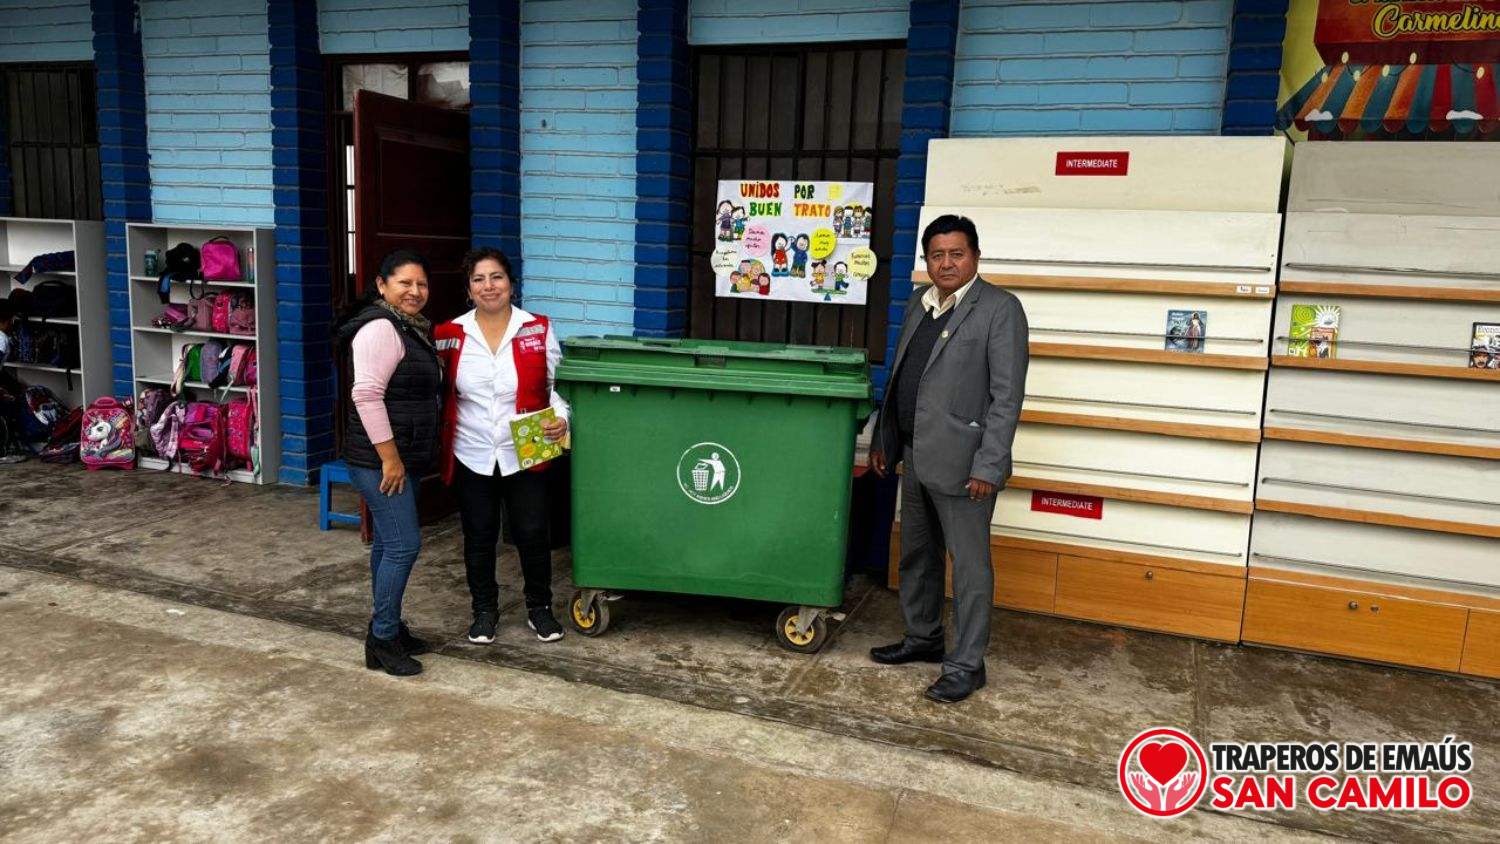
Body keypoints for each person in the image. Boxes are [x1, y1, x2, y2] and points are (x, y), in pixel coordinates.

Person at [868, 214, 1029, 704]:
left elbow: (1007, 397)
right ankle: (924, 638)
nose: (946, 263)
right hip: (916, 456)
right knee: (917, 554)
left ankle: (966, 664)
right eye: (936, 255)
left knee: (970, 567)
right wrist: (885, 440)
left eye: (956, 253)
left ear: (975, 256)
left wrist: (989, 465)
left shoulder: (1000, 310)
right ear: (927, 260)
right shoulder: (920, 302)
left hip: (966, 467)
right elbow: (900, 377)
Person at [434, 247, 570, 645]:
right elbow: (440, 391)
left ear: (511, 284)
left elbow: (555, 388)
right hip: (472, 449)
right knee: (478, 533)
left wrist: (562, 417)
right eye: (479, 279)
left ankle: (539, 608)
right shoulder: (450, 334)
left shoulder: (537, 328)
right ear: (469, 288)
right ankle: (484, 610)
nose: (488, 286)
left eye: (496, 277)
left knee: (531, 531)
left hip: (524, 451)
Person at [334, 249, 442, 677]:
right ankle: (381, 640)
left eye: (421, 284)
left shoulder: (408, 328)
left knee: (388, 543)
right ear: (382, 285)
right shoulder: (381, 328)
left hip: (400, 458)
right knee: (403, 544)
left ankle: (389, 627)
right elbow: (366, 395)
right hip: (381, 461)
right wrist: (390, 459)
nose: (415, 292)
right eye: (405, 283)